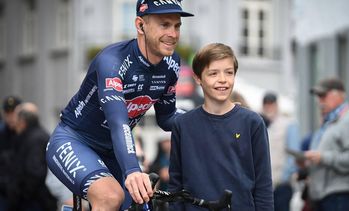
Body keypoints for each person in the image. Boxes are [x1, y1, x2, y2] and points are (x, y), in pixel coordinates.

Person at [45, 1, 194, 210]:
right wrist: (133, 170)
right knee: (110, 197)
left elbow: (167, 117)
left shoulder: (172, 64)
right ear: (140, 25)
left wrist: (203, 117)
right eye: (164, 25)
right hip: (74, 141)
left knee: (140, 206)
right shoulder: (112, 61)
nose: (173, 33)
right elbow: (118, 122)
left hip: (111, 150)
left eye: (177, 26)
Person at [168, 43, 273, 210]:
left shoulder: (253, 123)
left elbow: (264, 186)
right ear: (197, 78)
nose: (223, 79)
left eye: (229, 72)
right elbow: (176, 186)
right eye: (213, 73)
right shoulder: (183, 125)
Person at [306, 77, 349, 211]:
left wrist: (323, 157)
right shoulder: (330, 120)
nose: (319, 101)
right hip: (324, 196)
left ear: (338, 94)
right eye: (318, 97)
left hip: (338, 196)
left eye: (323, 96)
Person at [6, 102, 57, 211]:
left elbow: (34, 173)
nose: (15, 125)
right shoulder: (34, 136)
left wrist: (19, 195)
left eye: (17, 121)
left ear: (23, 122)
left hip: (35, 201)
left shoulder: (35, 139)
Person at [261, 91, 300, 211]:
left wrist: (284, 177)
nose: (269, 107)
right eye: (266, 105)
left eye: (271, 104)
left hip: (281, 185)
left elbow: (293, 153)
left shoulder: (288, 124)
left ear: (277, 105)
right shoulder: (260, 124)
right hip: (265, 186)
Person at [0, 96, 22, 210]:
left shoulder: (26, 133)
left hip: (23, 192)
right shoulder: (2, 133)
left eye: (13, 113)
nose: (11, 117)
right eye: (7, 113)